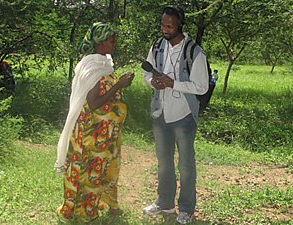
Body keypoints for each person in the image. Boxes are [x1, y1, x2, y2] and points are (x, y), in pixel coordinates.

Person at [55, 22, 134, 223]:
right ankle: (84, 211)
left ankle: (93, 203)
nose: (113, 43)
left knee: (97, 169)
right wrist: (119, 85)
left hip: (103, 131)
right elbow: (94, 102)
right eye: (110, 39)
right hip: (92, 131)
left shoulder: (104, 63)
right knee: (89, 170)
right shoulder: (93, 66)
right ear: (99, 42)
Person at [142, 5, 209, 224]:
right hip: (160, 112)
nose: (165, 28)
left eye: (169, 25)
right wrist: (153, 81)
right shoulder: (157, 46)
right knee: (164, 162)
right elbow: (146, 72)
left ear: (179, 24)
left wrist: (173, 84)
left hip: (184, 116)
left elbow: (201, 86)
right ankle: (165, 202)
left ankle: (186, 209)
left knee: (186, 165)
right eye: (162, 24)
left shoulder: (194, 52)